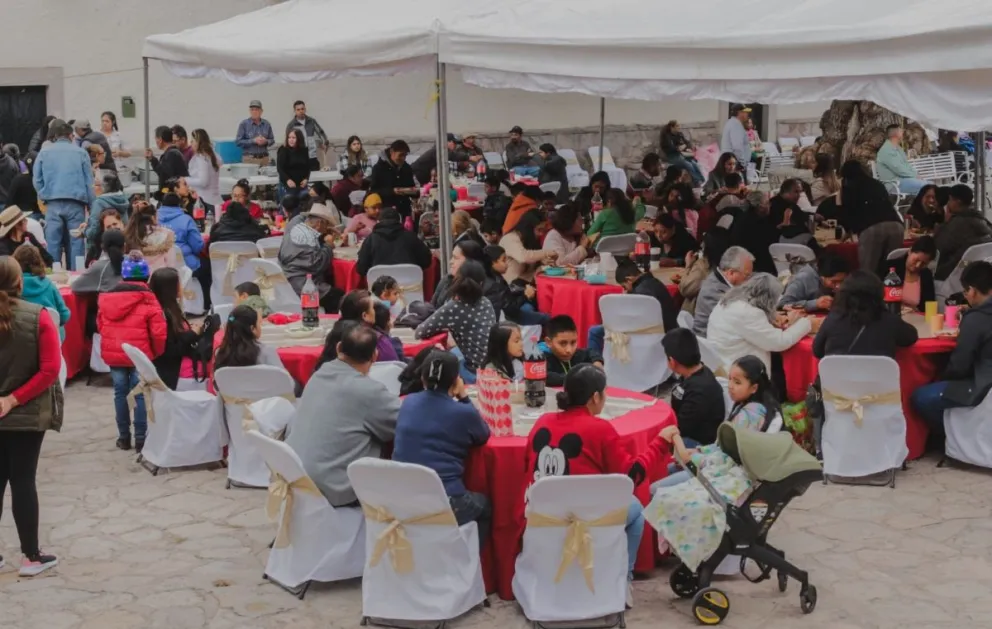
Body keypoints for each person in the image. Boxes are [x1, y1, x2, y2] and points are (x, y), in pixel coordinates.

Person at [521, 365, 672, 605]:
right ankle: (621, 581)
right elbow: (630, 478)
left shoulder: (542, 422)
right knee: (636, 509)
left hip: (544, 517)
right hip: (585, 516)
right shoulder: (599, 429)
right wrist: (660, 444)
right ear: (595, 397)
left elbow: (526, 466)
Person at [287, 324, 401, 507]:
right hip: (335, 486)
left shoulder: (319, 374)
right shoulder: (368, 391)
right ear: (375, 356)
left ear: (338, 348)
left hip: (296, 476)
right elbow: (403, 423)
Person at [0, 256, 62, 576]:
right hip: (25, 413)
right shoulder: (37, 317)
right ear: (19, 282)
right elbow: (50, 369)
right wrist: (13, 399)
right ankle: (31, 555)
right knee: (23, 481)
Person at [393, 349, 491, 534]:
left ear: (422, 377)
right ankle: (472, 560)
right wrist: (463, 397)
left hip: (403, 498)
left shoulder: (408, 402)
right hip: (446, 500)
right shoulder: (462, 413)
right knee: (484, 507)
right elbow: (483, 434)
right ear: (456, 381)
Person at [652, 355, 780, 490]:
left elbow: (731, 458)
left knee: (655, 489)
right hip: (722, 467)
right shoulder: (749, 405)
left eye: (737, 382)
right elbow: (723, 447)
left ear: (754, 388)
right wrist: (698, 451)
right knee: (671, 467)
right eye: (730, 379)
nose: (730, 386)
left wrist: (694, 458)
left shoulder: (749, 415)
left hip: (726, 480)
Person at [911, 261, 992, 433]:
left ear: (972, 290)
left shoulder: (976, 319)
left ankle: (953, 434)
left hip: (982, 386)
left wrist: (942, 378)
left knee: (921, 397)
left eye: (966, 291)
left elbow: (959, 366)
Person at [97, 252, 167, 451]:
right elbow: (159, 333)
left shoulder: (107, 298)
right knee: (140, 394)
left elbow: (100, 325)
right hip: (140, 355)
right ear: (147, 277)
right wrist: (155, 353)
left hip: (114, 353)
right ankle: (141, 438)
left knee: (120, 392)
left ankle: (124, 437)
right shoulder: (149, 299)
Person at [706, 272, 814, 372]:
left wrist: (771, 317)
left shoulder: (732, 300)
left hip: (723, 361)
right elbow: (779, 342)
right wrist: (807, 323)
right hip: (738, 373)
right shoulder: (747, 312)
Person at [416, 259, 497, 384]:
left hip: (474, 371)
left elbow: (420, 332)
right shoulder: (486, 302)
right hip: (494, 366)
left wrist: (445, 327)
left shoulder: (455, 306)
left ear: (457, 280)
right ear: (481, 283)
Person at [812, 270, 918, 360]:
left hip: (836, 384)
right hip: (879, 383)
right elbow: (911, 337)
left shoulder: (833, 319)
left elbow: (817, 351)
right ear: (879, 294)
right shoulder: (889, 320)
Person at [32, 120, 94, 270]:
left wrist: (43, 194)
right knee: (76, 240)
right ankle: (76, 274)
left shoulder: (44, 152)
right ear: (70, 136)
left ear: (55, 136)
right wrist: (92, 205)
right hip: (76, 203)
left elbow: (37, 179)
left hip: (52, 203)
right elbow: (89, 182)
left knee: (52, 242)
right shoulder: (81, 153)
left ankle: (54, 275)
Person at [835, 160, 905, 274]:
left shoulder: (849, 186)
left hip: (872, 228)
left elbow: (846, 212)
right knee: (892, 270)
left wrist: (846, 231)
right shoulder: (877, 183)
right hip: (896, 225)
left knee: (868, 271)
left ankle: (869, 291)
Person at [661, 328, 726, 443]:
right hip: (684, 428)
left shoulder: (700, 390)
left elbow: (681, 428)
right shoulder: (690, 374)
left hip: (696, 442)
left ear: (672, 361)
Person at [278, 203, 342, 313]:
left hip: (289, 279)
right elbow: (317, 265)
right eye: (326, 225)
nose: (326, 228)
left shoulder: (298, 228)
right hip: (302, 284)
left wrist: (323, 235)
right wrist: (328, 246)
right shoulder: (307, 237)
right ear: (319, 223)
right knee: (340, 298)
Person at [147, 267, 199, 389]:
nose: (182, 287)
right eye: (179, 283)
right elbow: (170, 351)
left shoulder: (167, 307)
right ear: (170, 289)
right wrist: (193, 333)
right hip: (171, 370)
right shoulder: (163, 314)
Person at [693, 246, 754, 336]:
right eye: (747, 275)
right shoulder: (713, 291)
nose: (749, 280)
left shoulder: (721, 280)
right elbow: (738, 320)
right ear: (731, 273)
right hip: (710, 342)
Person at [11, 245, 70, 340]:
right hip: (52, 339)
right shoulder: (49, 285)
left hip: (22, 340)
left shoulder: (12, 286)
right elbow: (64, 315)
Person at [934, 185, 992, 281]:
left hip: (951, 272)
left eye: (950, 200)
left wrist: (945, 224)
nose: (948, 203)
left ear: (957, 202)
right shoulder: (981, 220)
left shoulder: (958, 223)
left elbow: (938, 248)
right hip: (975, 270)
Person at [355, 206, 432, 278]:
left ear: (379, 221)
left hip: (381, 289)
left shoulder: (371, 239)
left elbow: (361, 269)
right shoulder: (411, 237)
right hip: (409, 287)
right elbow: (426, 261)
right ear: (400, 221)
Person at [214, 305, 285, 371]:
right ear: (252, 328)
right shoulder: (266, 352)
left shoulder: (220, 353)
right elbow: (284, 379)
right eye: (259, 324)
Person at [679, 227, 731, 315]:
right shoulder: (732, 266)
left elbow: (685, 289)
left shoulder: (703, 266)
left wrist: (688, 265)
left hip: (697, 316)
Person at [156, 182, 204, 272]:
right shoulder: (186, 220)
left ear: (162, 204)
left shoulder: (153, 219)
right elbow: (198, 246)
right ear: (179, 204)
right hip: (186, 266)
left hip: (158, 266)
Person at [543, 315, 603, 387]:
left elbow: (591, 352)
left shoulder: (577, 355)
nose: (569, 350)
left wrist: (597, 362)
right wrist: (579, 377)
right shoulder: (541, 359)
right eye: (563, 343)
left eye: (573, 342)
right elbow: (546, 377)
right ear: (548, 342)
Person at [500, 209, 557, 284]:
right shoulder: (509, 239)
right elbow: (523, 257)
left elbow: (534, 262)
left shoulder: (529, 240)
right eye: (539, 230)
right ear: (527, 228)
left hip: (529, 284)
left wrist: (545, 262)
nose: (541, 234)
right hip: (514, 289)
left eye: (543, 230)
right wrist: (546, 253)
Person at [778, 254, 849, 311]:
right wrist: (815, 304)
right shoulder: (803, 279)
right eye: (834, 282)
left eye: (842, 281)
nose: (838, 286)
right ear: (822, 277)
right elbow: (783, 304)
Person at [369, 139, 418, 218]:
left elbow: (412, 186)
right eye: (401, 155)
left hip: (404, 210)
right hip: (386, 210)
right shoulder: (379, 168)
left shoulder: (406, 168)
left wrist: (414, 192)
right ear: (392, 152)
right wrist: (392, 191)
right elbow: (373, 191)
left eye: (405, 155)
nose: (403, 158)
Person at [885, 236, 937, 311]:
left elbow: (930, 306)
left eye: (923, 264)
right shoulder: (891, 268)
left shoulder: (926, 275)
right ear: (910, 251)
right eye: (916, 260)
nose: (918, 265)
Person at [875, 124, 927, 195]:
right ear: (895, 134)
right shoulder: (886, 150)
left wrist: (916, 174)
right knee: (928, 187)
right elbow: (899, 169)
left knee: (929, 187)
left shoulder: (898, 148)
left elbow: (906, 165)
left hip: (903, 180)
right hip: (894, 184)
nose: (903, 132)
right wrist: (915, 176)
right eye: (901, 130)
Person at [123, 203, 175, 270]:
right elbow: (171, 264)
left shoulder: (129, 234)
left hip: (136, 275)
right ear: (154, 217)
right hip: (160, 276)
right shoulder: (166, 235)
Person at [73, 229, 125, 295]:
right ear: (124, 246)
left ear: (103, 247)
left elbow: (76, 286)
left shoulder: (99, 267)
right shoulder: (136, 264)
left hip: (109, 304)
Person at [186, 129, 223, 213]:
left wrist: (186, 180)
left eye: (193, 140)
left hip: (205, 202)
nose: (190, 142)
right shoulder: (212, 155)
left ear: (199, 142)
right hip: (214, 199)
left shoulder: (202, 158)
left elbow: (203, 181)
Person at [770, 178, 816, 246]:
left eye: (800, 192)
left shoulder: (790, 204)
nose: (799, 195)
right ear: (786, 192)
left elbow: (802, 215)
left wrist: (815, 216)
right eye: (796, 192)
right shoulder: (773, 206)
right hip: (782, 244)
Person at [659, 120, 705, 185]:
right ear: (672, 127)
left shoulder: (680, 134)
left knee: (694, 163)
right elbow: (670, 148)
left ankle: (702, 180)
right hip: (672, 156)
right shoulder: (667, 136)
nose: (679, 127)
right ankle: (697, 181)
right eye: (677, 126)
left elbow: (687, 142)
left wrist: (686, 146)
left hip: (682, 154)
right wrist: (678, 148)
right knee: (687, 164)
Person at [287, 101, 328, 171]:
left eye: (302, 109)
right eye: (298, 109)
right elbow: (288, 142)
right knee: (302, 180)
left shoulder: (311, 121)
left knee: (316, 180)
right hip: (299, 158)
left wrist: (324, 143)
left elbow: (321, 132)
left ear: (305, 109)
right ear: (295, 111)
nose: (301, 111)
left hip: (312, 156)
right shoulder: (291, 125)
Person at [235, 100, 275, 166]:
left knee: (265, 176)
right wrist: (253, 141)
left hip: (264, 159)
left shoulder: (266, 124)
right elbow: (238, 142)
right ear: (249, 111)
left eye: (256, 110)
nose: (254, 112)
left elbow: (272, 140)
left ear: (261, 111)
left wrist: (266, 141)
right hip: (250, 159)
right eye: (252, 110)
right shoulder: (244, 124)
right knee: (250, 176)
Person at [277, 129, 311, 201]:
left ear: (299, 139)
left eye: (293, 138)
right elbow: (280, 168)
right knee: (290, 207)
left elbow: (308, 167)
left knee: (304, 207)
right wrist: (288, 180)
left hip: (302, 185)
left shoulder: (304, 150)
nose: (291, 140)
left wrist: (306, 179)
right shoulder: (283, 150)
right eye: (289, 137)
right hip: (288, 185)